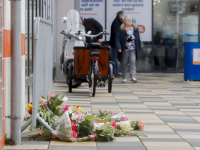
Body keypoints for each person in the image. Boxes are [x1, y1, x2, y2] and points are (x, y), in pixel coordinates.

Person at [115, 15, 141, 83]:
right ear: (125, 21)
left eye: (131, 20)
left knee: (133, 62)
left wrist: (139, 47)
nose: (130, 21)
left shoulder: (135, 28)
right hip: (124, 49)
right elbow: (117, 39)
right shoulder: (121, 29)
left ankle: (133, 77)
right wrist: (119, 47)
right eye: (128, 20)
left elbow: (138, 39)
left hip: (133, 49)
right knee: (124, 63)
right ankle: (124, 77)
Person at [110, 11, 124, 77]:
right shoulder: (116, 22)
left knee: (116, 58)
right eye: (123, 15)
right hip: (115, 43)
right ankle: (114, 72)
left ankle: (116, 71)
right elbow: (115, 33)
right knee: (114, 58)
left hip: (116, 43)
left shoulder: (119, 21)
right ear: (120, 15)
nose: (124, 16)